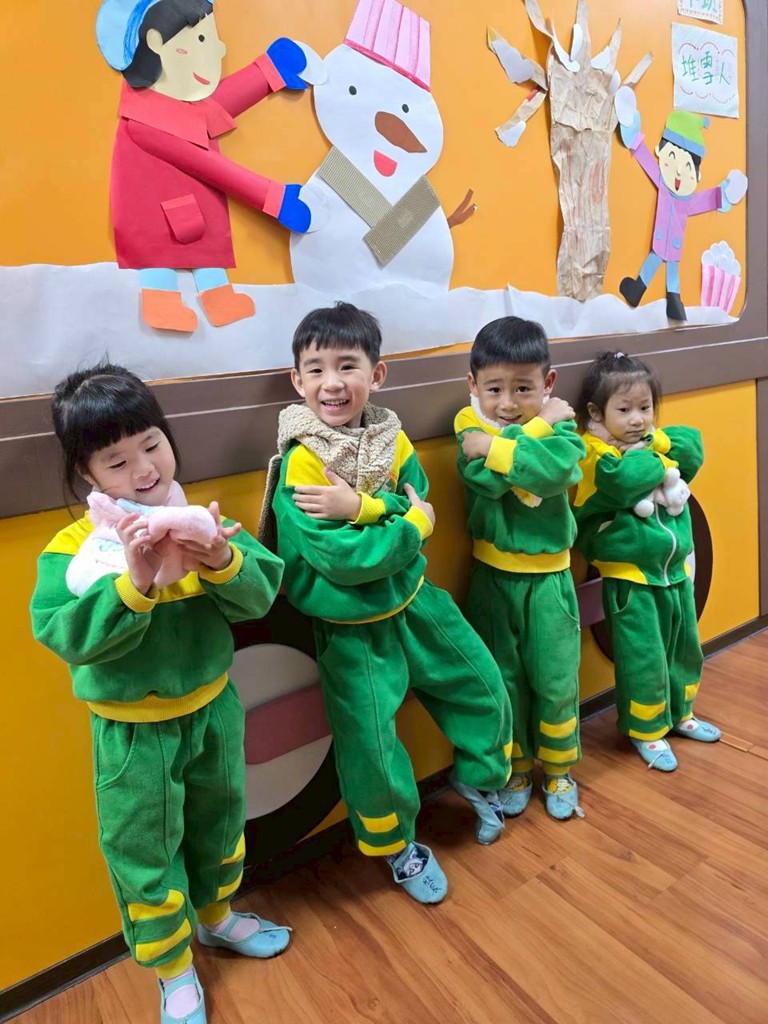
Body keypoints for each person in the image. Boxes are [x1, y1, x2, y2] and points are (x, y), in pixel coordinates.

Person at [31, 362, 287, 1024]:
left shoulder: (199, 520)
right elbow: (62, 633)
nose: (143, 469)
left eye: (151, 444)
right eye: (116, 461)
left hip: (212, 710)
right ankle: (173, 969)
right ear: (86, 473)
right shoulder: (73, 550)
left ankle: (216, 917)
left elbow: (262, 594)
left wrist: (221, 559)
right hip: (131, 733)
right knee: (143, 852)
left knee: (220, 824)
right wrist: (134, 584)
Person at [267, 302, 513, 905]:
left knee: (482, 685)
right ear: (297, 380)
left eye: (347, 366)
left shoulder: (390, 435)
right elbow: (345, 559)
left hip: (415, 601)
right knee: (371, 748)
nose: (332, 382)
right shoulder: (302, 459)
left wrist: (364, 508)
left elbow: (415, 496)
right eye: (316, 369)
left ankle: (481, 779)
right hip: (352, 630)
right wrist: (410, 525)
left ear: (376, 374)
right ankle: (397, 845)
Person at [454, 317, 586, 821]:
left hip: (551, 579)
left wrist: (500, 449)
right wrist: (536, 428)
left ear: (547, 383)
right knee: (504, 680)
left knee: (556, 679)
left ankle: (560, 769)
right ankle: (517, 768)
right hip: (491, 578)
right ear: (473, 385)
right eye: (494, 389)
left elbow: (555, 472)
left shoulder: (563, 423)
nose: (507, 404)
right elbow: (484, 481)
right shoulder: (469, 424)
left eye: (524, 389)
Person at [573, 350, 721, 772]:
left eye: (645, 408)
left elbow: (692, 448)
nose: (638, 420)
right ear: (596, 412)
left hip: (673, 571)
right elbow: (626, 481)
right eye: (624, 410)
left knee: (683, 647)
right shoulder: (594, 453)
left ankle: (681, 712)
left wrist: (657, 442)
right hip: (631, 578)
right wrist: (656, 452)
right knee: (644, 655)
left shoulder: (646, 443)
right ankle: (646, 728)